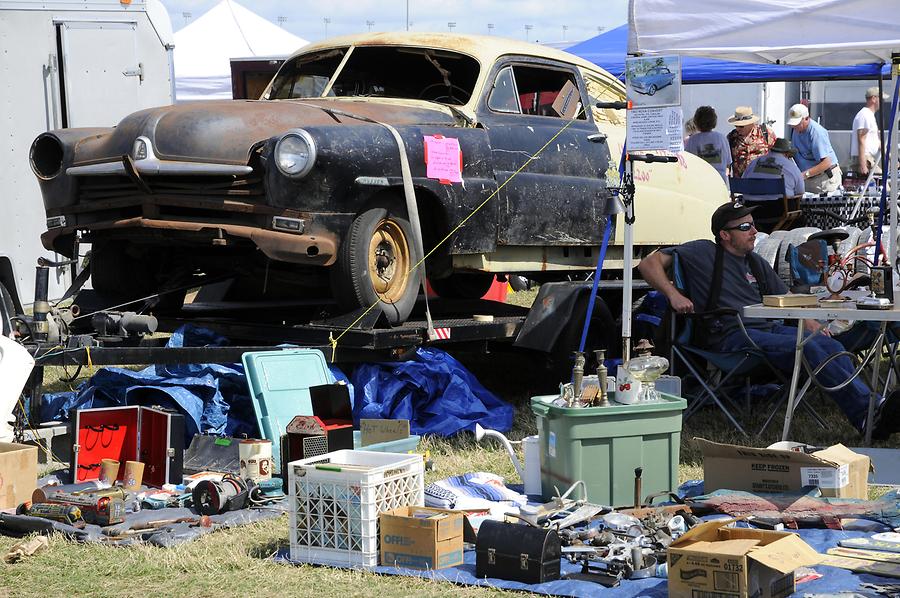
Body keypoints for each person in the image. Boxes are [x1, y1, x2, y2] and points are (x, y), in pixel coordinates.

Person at [637, 202, 900, 439]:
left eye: (753, 225)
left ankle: (873, 408)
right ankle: (868, 414)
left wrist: (810, 322)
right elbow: (647, 264)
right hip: (731, 336)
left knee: (825, 343)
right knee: (808, 347)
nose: (754, 231)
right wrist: (672, 295)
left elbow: (785, 296)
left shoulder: (754, 261)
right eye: (745, 227)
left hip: (767, 329)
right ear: (724, 235)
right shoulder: (702, 251)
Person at [786, 103, 842, 194]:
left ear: (806, 119)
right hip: (809, 178)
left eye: (797, 123)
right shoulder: (797, 130)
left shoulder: (816, 133)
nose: (794, 126)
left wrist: (804, 175)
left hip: (824, 180)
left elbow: (826, 163)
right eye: (792, 124)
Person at [684, 106, 732, 182]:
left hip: (700, 181)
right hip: (720, 181)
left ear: (696, 122)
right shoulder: (721, 138)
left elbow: (687, 162)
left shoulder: (692, 140)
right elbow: (728, 162)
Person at [726, 106, 776, 178]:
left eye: (741, 126)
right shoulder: (732, 137)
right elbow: (727, 162)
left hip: (763, 181)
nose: (738, 129)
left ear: (751, 123)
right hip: (741, 183)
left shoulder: (766, 133)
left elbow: (777, 157)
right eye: (736, 125)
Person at [851, 86, 886, 176]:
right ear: (874, 99)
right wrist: (863, 165)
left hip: (869, 159)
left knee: (883, 181)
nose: (883, 102)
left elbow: (876, 141)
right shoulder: (864, 115)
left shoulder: (869, 115)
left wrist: (891, 157)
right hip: (866, 159)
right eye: (881, 99)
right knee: (883, 184)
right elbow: (861, 139)